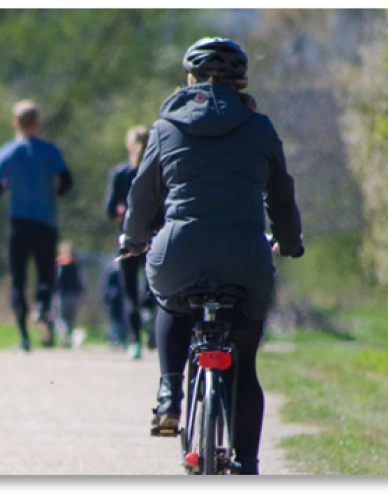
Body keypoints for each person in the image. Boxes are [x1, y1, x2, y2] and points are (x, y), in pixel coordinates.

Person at [122, 38, 304, 475]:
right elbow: (281, 195)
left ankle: (169, 394)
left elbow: (142, 196)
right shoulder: (260, 127)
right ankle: (248, 463)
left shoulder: (165, 128)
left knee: (170, 300)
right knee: (245, 365)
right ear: (241, 81)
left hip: (180, 253)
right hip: (244, 257)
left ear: (190, 80)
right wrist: (290, 240)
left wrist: (131, 239)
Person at [0, 100, 74, 353]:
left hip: (18, 223)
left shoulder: (4, 154)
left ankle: (24, 338)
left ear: (15, 122)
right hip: (45, 222)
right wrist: (55, 193)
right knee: (46, 274)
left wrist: (7, 184)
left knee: (18, 280)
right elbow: (67, 181)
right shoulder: (50, 151)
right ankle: (41, 306)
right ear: (37, 123)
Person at [104, 126, 164, 360]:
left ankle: (135, 341)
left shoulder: (120, 174)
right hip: (155, 236)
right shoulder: (158, 172)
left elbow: (110, 208)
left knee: (129, 290)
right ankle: (149, 311)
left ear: (129, 145)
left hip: (128, 238)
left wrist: (122, 211)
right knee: (154, 284)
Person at [54, 242, 85, 348]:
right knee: (70, 319)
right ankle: (69, 338)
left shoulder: (59, 264)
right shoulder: (76, 265)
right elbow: (80, 280)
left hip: (62, 294)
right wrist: (82, 292)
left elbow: (56, 280)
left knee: (61, 318)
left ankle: (66, 337)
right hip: (73, 295)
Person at [101, 263, 127, 350]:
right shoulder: (116, 273)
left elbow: (105, 289)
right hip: (116, 301)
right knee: (117, 321)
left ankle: (116, 341)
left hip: (117, 301)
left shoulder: (112, 273)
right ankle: (117, 340)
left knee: (116, 322)